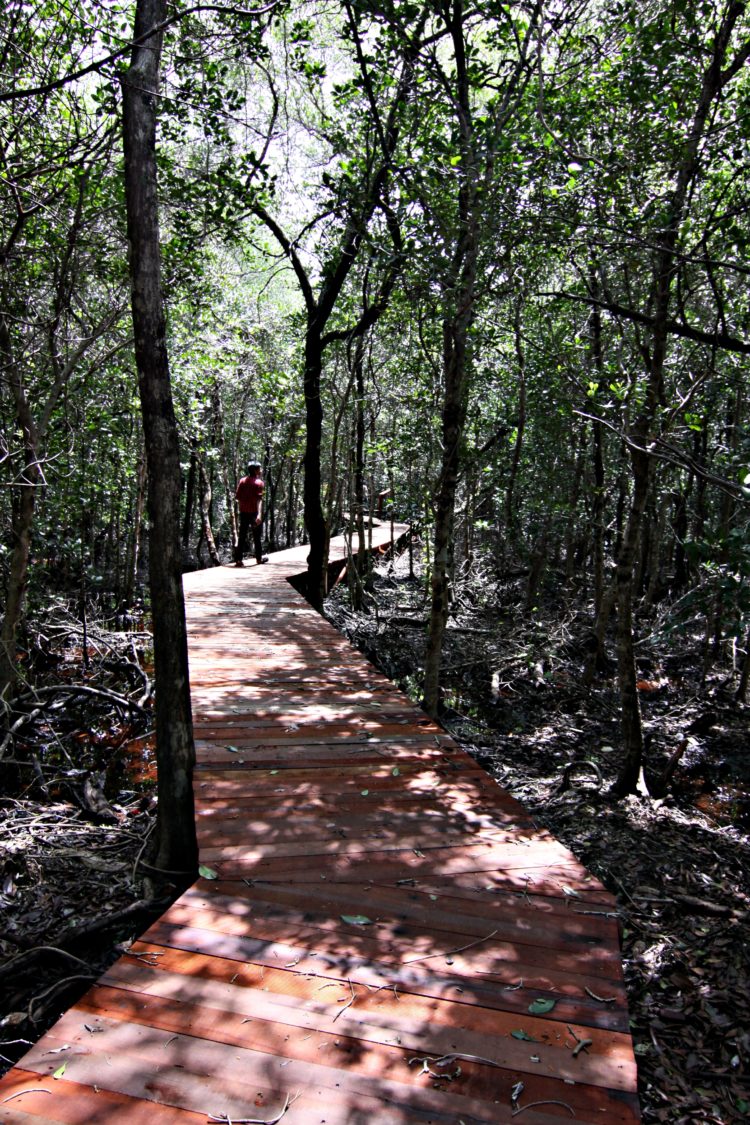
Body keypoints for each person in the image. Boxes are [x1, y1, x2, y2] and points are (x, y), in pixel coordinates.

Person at [234, 460, 268, 566]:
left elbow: (238, 497)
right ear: (255, 470)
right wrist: (259, 514)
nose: (261, 470)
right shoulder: (260, 483)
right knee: (257, 536)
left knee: (242, 536)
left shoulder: (242, 481)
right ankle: (258, 559)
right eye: (259, 468)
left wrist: (242, 509)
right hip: (254, 513)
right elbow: (259, 499)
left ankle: (238, 560)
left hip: (243, 512)